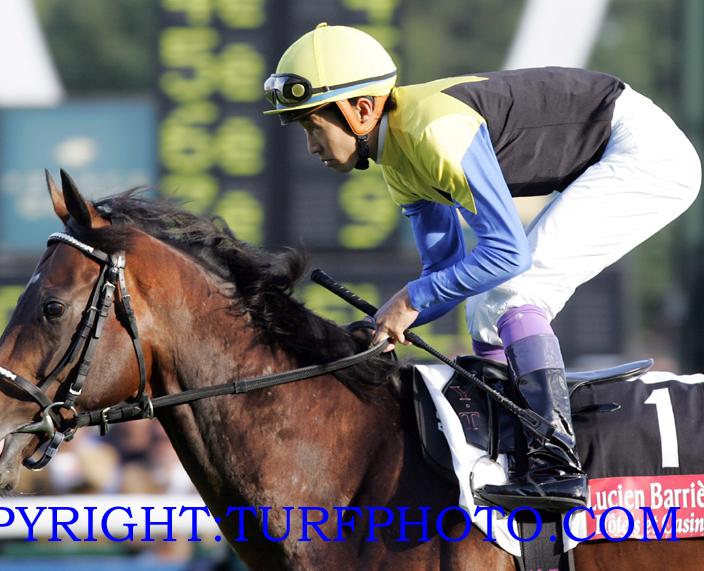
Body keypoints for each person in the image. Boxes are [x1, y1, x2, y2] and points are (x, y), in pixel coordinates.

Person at [263, 23, 701, 512]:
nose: (311, 145)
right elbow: (445, 272)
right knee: (484, 310)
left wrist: (409, 301)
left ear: (361, 110)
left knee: (516, 290)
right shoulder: (400, 162)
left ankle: (557, 466)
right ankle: (517, 454)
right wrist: (377, 327)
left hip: (646, 155)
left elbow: (507, 254)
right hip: (616, 146)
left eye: (312, 126)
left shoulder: (432, 132)